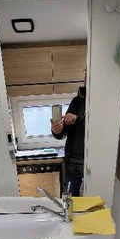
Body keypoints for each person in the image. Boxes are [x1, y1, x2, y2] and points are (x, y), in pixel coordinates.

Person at [50, 69, 86, 197]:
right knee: (70, 201)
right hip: (73, 167)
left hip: (94, 165)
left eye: (88, 71)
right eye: (85, 71)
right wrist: (57, 130)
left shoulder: (103, 100)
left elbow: (100, 124)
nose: (85, 75)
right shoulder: (77, 101)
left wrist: (77, 119)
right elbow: (64, 132)